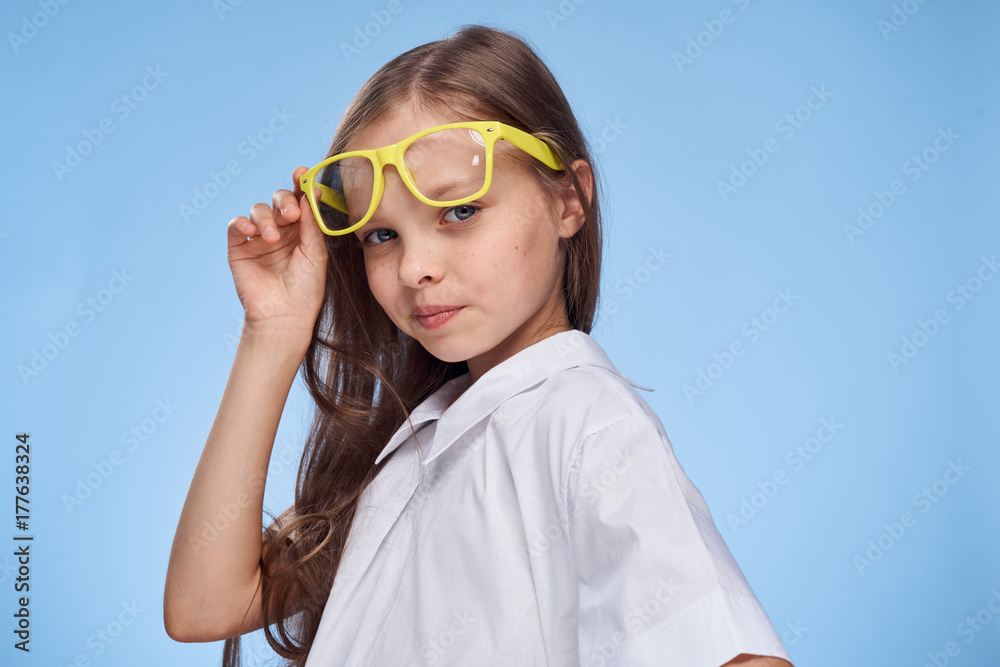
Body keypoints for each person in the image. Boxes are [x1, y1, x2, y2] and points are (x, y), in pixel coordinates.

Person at [163, 24, 796, 667]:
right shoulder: (419, 442)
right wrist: (271, 332)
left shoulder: (583, 422)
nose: (415, 268)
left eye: (459, 211)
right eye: (382, 235)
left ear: (568, 199)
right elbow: (203, 607)